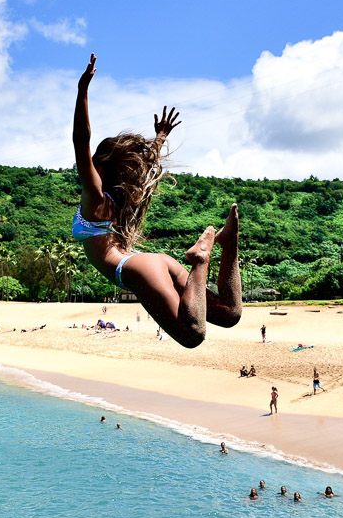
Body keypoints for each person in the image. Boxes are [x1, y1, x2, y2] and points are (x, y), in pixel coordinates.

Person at [73, 54, 241, 348]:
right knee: (229, 314)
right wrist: (159, 137)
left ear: (99, 167)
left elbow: (80, 141)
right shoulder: (122, 201)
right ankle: (229, 243)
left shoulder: (97, 199)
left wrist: (82, 91)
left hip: (132, 267)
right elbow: (146, 166)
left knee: (192, 334)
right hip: (150, 262)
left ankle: (200, 259)